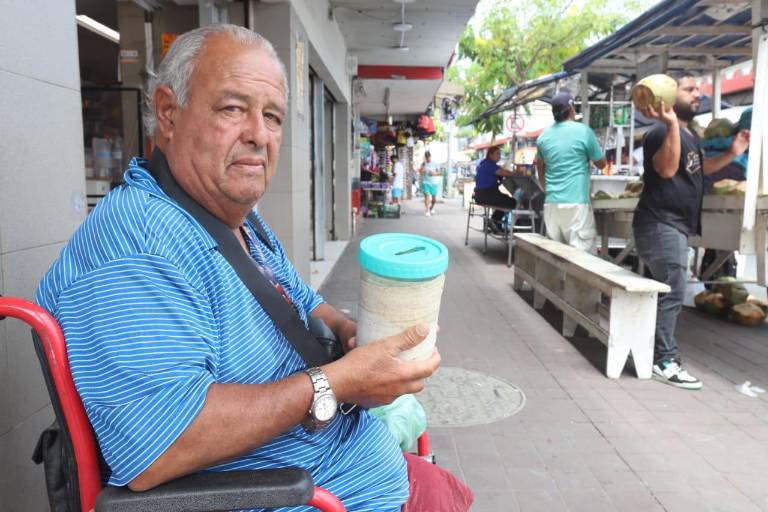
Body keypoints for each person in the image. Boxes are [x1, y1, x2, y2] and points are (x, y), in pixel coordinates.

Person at [35, 25, 472, 511]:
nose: (258, 135)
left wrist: (352, 334)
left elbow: (302, 303)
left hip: (353, 472)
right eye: (232, 109)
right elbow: (159, 445)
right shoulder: (136, 245)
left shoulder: (236, 220)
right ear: (168, 113)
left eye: (272, 116)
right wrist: (338, 383)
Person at [634, 72, 750, 390]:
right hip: (660, 223)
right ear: (669, 98)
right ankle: (664, 361)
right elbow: (667, 170)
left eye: (699, 89)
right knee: (672, 292)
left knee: (671, 290)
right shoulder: (661, 132)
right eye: (689, 90)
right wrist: (671, 124)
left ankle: (658, 354)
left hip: (674, 226)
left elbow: (700, 170)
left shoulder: (689, 137)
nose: (697, 94)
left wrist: (732, 154)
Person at [536, 91, 606, 251]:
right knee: (582, 260)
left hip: (551, 204)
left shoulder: (543, 136)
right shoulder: (583, 131)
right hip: (576, 205)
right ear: (571, 109)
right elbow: (601, 164)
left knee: (555, 256)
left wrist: (545, 188)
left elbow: (540, 167)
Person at [473, 146, 518, 232]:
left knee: (505, 198)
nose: (499, 156)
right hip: (486, 194)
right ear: (490, 155)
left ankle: (494, 221)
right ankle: (494, 221)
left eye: (500, 154)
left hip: (481, 194)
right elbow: (505, 173)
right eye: (497, 154)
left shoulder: (485, 163)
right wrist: (516, 173)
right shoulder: (489, 165)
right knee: (511, 202)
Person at [420, 151, 440, 216]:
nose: (428, 159)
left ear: (430, 156)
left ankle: (431, 207)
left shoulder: (435, 163)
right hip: (426, 182)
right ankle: (427, 210)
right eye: (426, 157)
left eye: (428, 157)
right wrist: (424, 165)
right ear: (425, 157)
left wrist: (434, 174)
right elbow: (421, 172)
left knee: (434, 199)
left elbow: (439, 172)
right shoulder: (423, 164)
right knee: (427, 196)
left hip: (434, 183)